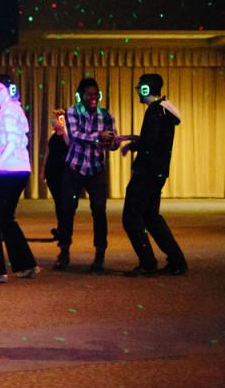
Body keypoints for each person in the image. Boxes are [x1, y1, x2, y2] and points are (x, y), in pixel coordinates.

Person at [118, 74, 187, 275]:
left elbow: (151, 142)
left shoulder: (155, 112)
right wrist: (131, 138)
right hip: (156, 172)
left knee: (131, 217)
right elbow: (152, 139)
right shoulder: (162, 111)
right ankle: (176, 261)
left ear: (147, 89)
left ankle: (148, 263)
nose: (137, 89)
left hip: (147, 173)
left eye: (140, 87)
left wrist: (131, 145)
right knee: (150, 216)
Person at [53, 78, 119, 273]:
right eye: (89, 94)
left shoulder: (106, 115)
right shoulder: (72, 111)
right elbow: (74, 135)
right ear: (81, 96)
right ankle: (64, 251)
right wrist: (99, 137)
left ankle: (100, 254)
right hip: (75, 167)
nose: (93, 98)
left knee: (99, 210)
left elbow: (112, 143)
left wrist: (114, 142)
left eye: (96, 94)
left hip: (96, 169)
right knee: (66, 209)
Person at [0, 74, 39, 284]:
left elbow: (13, 142)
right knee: (4, 218)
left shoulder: (11, 111)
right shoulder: (8, 111)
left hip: (8, 170)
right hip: (16, 170)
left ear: (9, 90)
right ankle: (25, 264)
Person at [43, 109, 69, 235]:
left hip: (63, 172)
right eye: (52, 120)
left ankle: (64, 228)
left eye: (55, 120)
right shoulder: (52, 135)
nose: (52, 122)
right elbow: (48, 154)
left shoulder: (66, 135)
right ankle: (61, 227)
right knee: (58, 201)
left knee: (63, 201)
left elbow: (69, 144)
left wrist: (63, 126)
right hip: (51, 172)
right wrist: (43, 171)